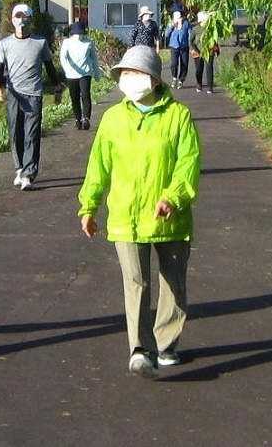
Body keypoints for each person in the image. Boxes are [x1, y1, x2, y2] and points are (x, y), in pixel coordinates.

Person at [78, 45, 201, 379]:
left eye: (135, 73)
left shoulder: (179, 117)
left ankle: (166, 343)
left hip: (170, 218)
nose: (128, 79)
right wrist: (88, 206)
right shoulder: (113, 119)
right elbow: (98, 167)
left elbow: (188, 165)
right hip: (126, 217)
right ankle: (140, 349)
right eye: (124, 73)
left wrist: (173, 198)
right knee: (136, 283)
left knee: (173, 283)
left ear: (154, 79)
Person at [0, 3, 62, 191]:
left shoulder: (40, 42)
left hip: (33, 93)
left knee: (31, 134)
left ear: (30, 19)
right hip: (13, 93)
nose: (21, 20)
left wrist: (57, 87)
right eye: (17, 16)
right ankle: (20, 167)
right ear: (12, 19)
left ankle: (29, 174)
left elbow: (49, 67)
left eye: (24, 17)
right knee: (15, 132)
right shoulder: (5, 44)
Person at [59, 21, 101, 130]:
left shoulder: (89, 42)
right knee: (74, 97)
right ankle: (77, 118)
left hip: (85, 73)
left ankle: (86, 118)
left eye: (81, 34)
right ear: (73, 34)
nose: (79, 36)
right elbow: (63, 57)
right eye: (77, 34)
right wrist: (67, 69)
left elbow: (94, 59)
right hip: (71, 74)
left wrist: (97, 73)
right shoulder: (67, 43)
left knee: (86, 95)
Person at [190, 10, 219, 93]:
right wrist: (193, 49)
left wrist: (217, 49)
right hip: (197, 51)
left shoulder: (211, 28)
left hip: (209, 51)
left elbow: (214, 39)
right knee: (199, 69)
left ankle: (210, 87)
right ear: (202, 20)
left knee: (209, 68)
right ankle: (199, 83)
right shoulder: (195, 29)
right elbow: (191, 41)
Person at [164, 6, 192, 89]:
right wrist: (172, 26)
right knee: (174, 63)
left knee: (184, 64)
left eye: (179, 15)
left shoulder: (186, 23)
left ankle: (181, 80)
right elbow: (166, 34)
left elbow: (190, 34)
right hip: (174, 46)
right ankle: (174, 77)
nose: (177, 17)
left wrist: (191, 45)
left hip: (184, 46)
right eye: (175, 16)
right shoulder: (171, 23)